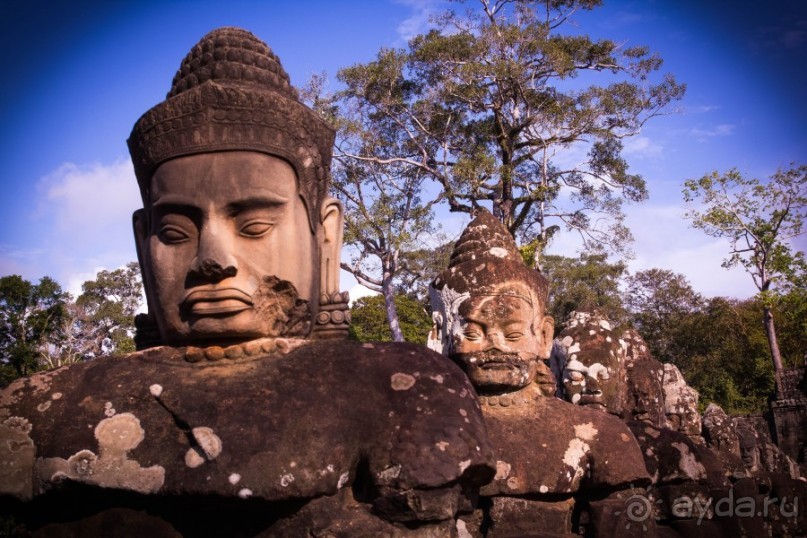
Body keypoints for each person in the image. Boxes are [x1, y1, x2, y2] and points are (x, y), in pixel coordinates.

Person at [0, 27, 494, 536]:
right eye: (175, 231)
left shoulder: (405, 390)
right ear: (143, 243)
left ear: (324, 235)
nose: (212, 260)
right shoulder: (46, 410)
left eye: (254, 225)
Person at [429, 209, 651, 537]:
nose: (496, 346)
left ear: (544, 337)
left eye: (513, 333)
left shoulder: (599, 435)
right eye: (474, 333)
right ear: (440, 335)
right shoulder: (420, 429)